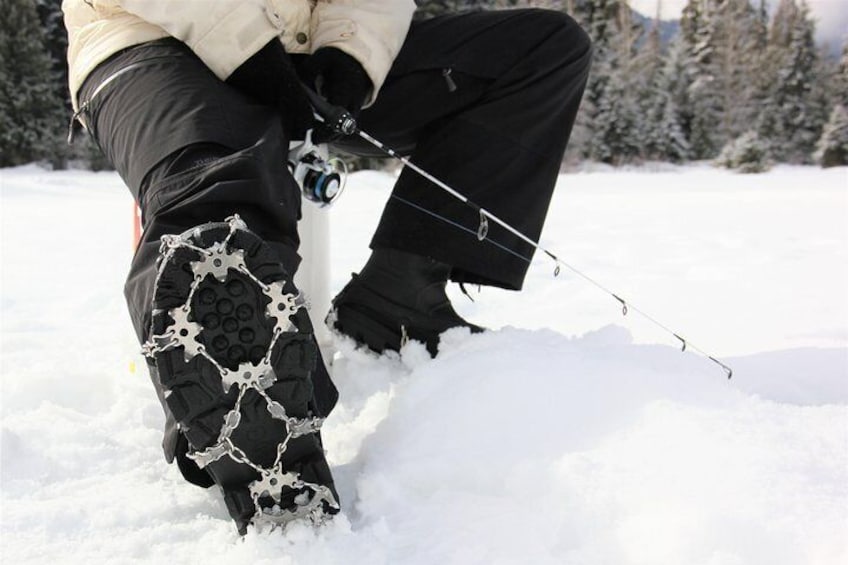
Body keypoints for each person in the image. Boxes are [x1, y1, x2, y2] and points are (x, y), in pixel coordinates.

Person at [63, 0, 591, 534]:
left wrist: (351, 56)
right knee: (219, 204)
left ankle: (398, 299)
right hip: (155, 38)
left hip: (304, 51)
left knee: (539, 48)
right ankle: (244, 424)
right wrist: (249, 50)